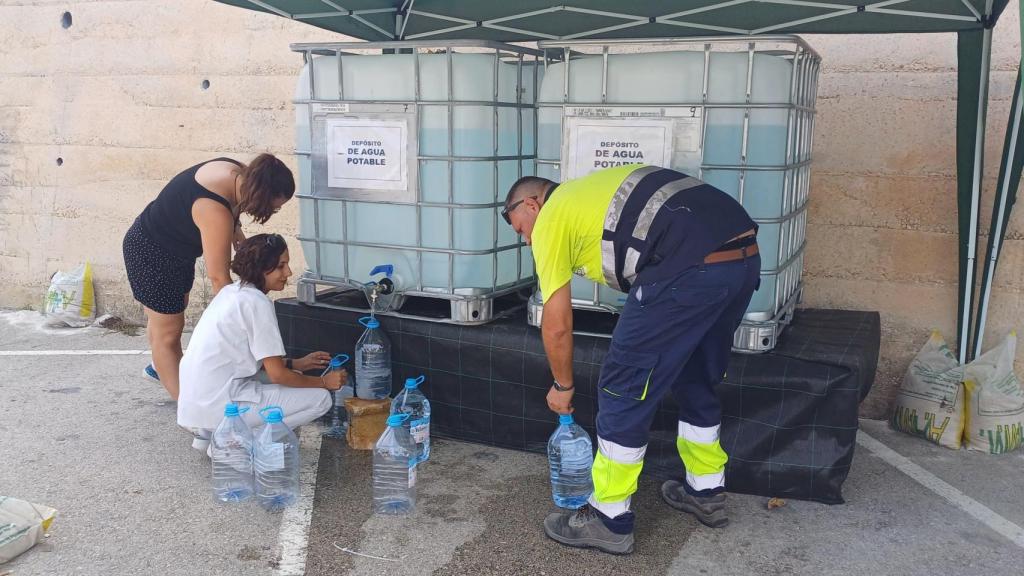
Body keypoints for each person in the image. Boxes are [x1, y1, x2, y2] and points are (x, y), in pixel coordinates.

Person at [502, 165, 760, 555]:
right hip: (741, 258)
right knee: (696, 376)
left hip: (685, 266)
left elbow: (556, 324)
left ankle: (609, 517)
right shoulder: (588, 196)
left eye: (519, 227)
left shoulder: (553, 215)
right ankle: (706, 490)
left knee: (623, 386)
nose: (525, 240)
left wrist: (562, 385)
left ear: (532, 203)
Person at [122, 154, 294, 400]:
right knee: (168, 332)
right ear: (261, 196)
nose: (274, 211)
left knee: (168, 318)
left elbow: (234, 227)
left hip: (175, 250)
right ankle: (190, 408)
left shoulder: (235, 175)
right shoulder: (213, 209)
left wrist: (256, 259)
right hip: (151, 252)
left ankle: (163, 368)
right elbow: (218, 279)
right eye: (274, 206)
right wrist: (244, 316)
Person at [177, 234, 344, 450]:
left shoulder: (232, 292)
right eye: (280, 266)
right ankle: (233, 442)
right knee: (321, 399)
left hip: (198, 400)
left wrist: (295, 364)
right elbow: (278, 375)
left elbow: (251, 358)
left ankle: (207, 433)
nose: (289, 273)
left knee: (294, 378)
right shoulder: (257, 303)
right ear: (261, 269)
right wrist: (324, 383)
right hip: (219, 403)